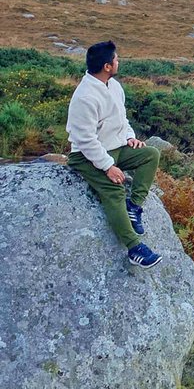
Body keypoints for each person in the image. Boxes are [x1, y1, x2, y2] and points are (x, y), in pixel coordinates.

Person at [65, 40, 163, 268]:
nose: (119, 61)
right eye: (116, 59)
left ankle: (134, 207)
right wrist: (108, 166)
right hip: (87, 156)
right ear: (107, 66)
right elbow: (85, 140)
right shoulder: (85, 97)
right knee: (115, 190)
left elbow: (122, 119)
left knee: (151, 154)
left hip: (116, 147)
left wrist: (129, 136)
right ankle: (134, 248)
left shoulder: (114, 86)